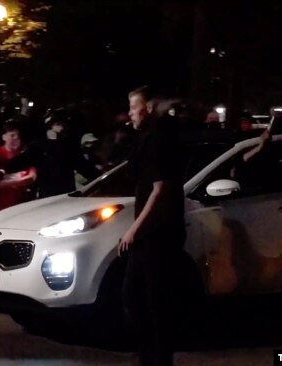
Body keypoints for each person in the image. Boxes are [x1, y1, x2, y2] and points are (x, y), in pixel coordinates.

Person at [118, 86, 199, 366]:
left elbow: (159, 190)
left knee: (155, 303)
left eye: (133, 107)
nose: (129, 114)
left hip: (159, 234)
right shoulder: (147, 137)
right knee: (133, 294)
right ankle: (149, 355)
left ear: (149, 107)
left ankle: (159, 358)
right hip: (148, 234)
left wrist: (134, 229)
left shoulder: (161, 138)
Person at [0, 107, 101, 198]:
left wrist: (103, 178)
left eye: (63, 123)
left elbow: (84, 166)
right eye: (58, 123)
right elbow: (22, 160)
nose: (62, 126)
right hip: (47, 198)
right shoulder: (39, 146)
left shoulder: (68, 146)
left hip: (68, 196)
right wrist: (2, 171)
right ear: (50, 124)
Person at [0, 120, 36, 212]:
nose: (16, 138)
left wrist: (11, 182)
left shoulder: (25, 154)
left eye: (18, 135)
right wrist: (19, 182)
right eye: (12, 135)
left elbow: (32, 177)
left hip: (21, 205)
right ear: (4, 137)